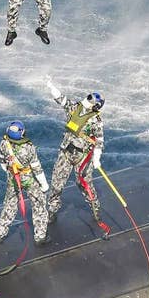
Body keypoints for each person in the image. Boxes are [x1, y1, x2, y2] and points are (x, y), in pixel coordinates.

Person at [46, 89, 109, 235]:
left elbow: (99, 140)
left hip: (83, 156)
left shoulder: (96, 120)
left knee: (84, 184)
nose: (86, 101)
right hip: (66, 152)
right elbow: (63, 101)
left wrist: (97, 157)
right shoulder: (75, 108)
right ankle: (52, 211)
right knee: (56, 184)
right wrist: (52, 88)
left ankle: (96, 210)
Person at [0, 120, 49, 245]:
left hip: (13, 178)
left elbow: (2, 162)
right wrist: (44, 184)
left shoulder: (4, 143)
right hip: (29, 179)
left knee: (10, 205)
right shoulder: (29, 147)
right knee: (39, 205)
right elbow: (36, 167)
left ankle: (0, 234)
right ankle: (40, 237)